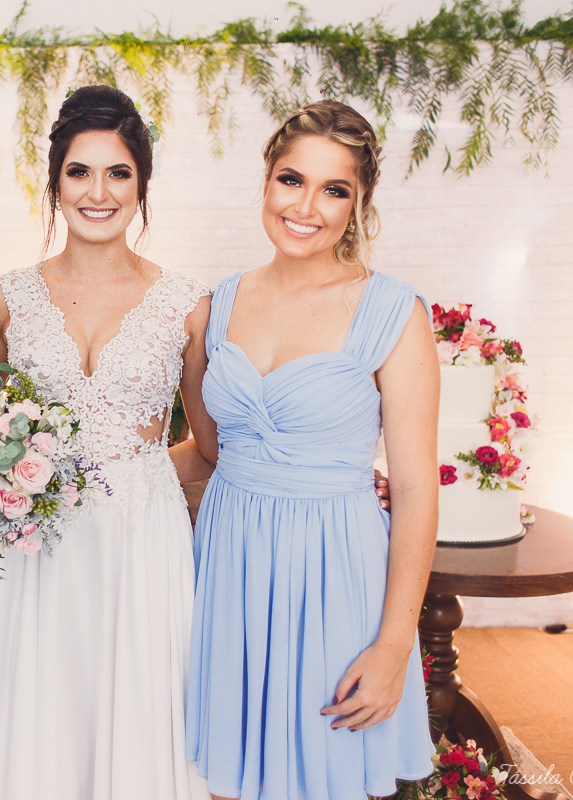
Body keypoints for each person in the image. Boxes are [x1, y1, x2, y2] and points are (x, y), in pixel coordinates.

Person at [0, 85, 217, 800]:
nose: (98, 192)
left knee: (142, 702)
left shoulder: (188, 306)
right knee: (41, 710)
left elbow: (207, 447)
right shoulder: (8, 298)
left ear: (142, 186)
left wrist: (130, 475)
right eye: (80, 172)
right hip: (40, 549)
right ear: (54, 184)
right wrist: (13, 489)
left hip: (143, 543)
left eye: (118, 173)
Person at [186, 100, 439, 800]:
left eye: (335, 190)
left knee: (323, 772)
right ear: (266, 181)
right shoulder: (218, 303)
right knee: (227, 780)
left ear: (359, 204)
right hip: (230, 564)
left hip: (336, 570)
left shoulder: (394, 312)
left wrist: (393, 645)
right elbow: (208, 448)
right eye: (292, 180)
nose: (307, 206)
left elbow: (416, 488)